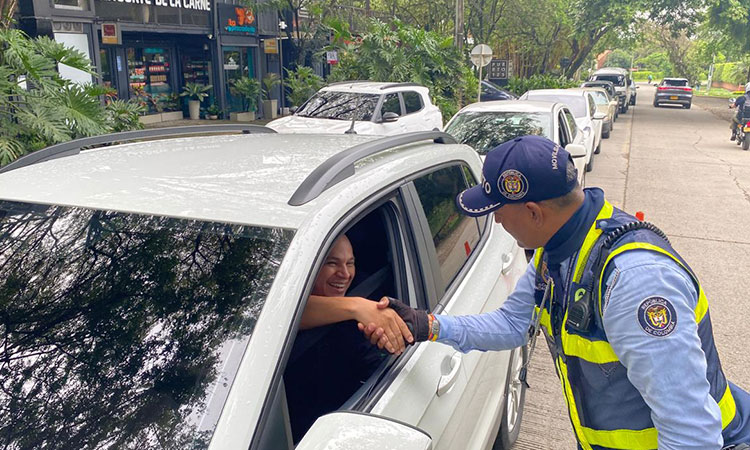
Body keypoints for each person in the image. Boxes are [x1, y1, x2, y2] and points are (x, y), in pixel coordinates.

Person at [362, 135, 750, 450]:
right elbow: (513, 324)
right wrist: (428, 325)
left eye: (499, 211)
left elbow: (691, 433)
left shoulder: (632, 283)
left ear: (534, 212)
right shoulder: (560, 248)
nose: (496, 221)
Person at [285, 234, 411, 443]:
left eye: (350, 263)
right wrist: (356, 307)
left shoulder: (371, 296)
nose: (344, 274)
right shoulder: (279, 309)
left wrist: (382, 345)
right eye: (332, 263)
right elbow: (284, 310)